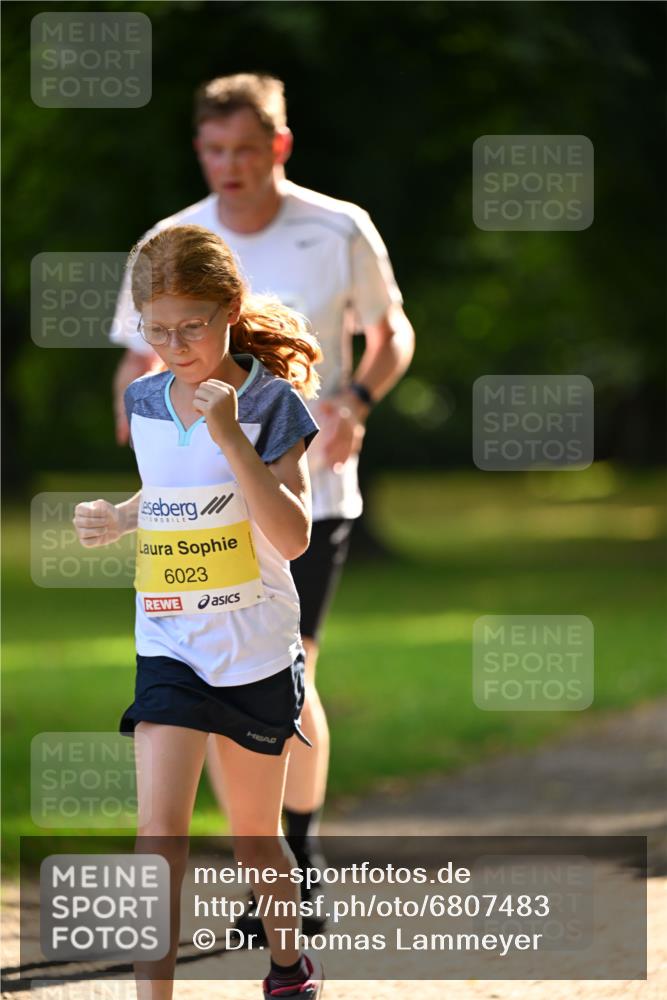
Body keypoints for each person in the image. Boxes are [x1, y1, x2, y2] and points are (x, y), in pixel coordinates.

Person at [110, 73, 415, 931]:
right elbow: (137, 362)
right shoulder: (173, 241)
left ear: (277, 145)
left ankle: (294, 846)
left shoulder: (337, 226)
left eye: (246, 147)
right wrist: (146, 459)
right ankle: (263, 860)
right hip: (196, 513)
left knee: (289, 664)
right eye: (213, 149)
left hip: (305, 495)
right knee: (205, 673)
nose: (229, 164)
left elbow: (391, 331)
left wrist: (352, 403)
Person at [74, 224, 324, 999]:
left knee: (256, 840)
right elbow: (176, 494)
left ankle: (287, 965)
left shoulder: (272, 403)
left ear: (229, 310)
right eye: (156, 330)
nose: (174, 346)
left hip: (252, 648)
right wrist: (120, 516)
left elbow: (291, 534)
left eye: (190, 327)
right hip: (171, 638)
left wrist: (230, 434)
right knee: (160, 839)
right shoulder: (143, 396)